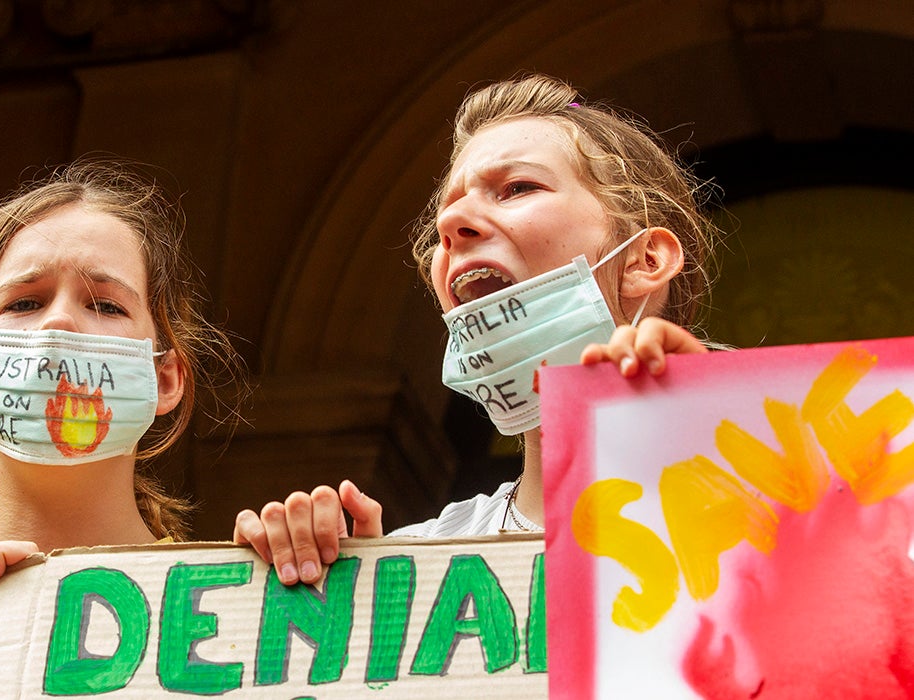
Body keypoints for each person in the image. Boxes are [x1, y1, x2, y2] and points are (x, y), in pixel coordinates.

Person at [233, 73, 719, 584]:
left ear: (645, 260)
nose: (453, 224)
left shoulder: (789, 495)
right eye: (449, 208)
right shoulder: (417, 567)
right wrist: (348, 595)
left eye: (517, 188)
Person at [0, 158, 245, 604]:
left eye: (107, 306)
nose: (58, 322)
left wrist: (338, 568)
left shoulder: (233, 603)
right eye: (24, 303)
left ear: (164, 377)